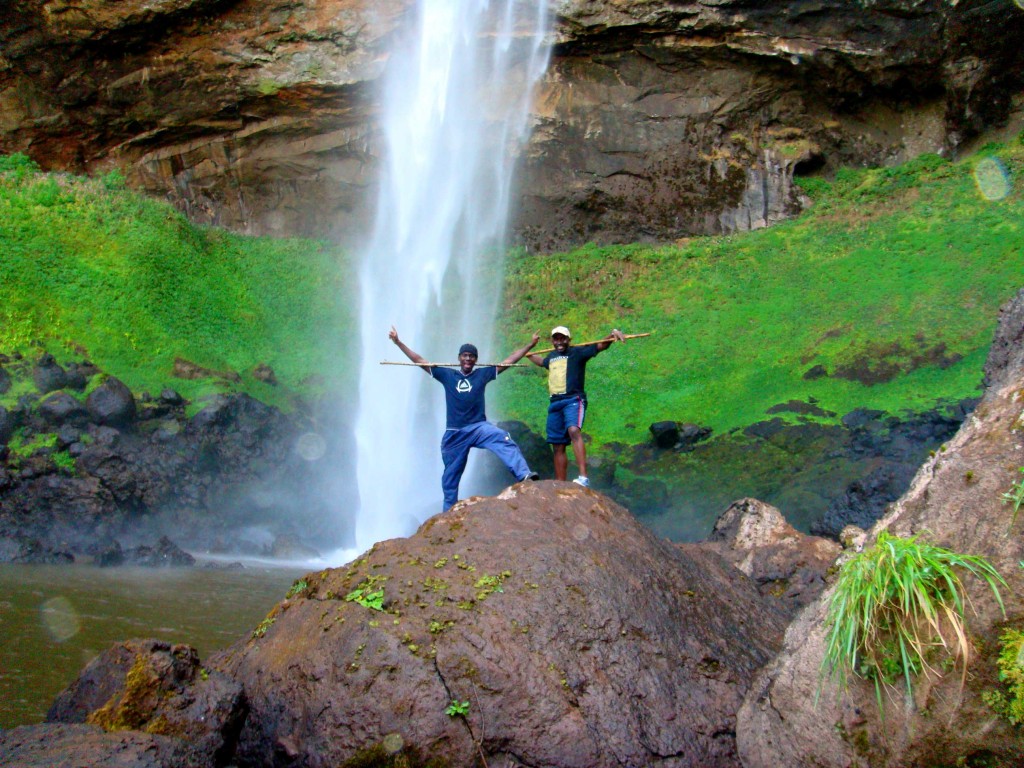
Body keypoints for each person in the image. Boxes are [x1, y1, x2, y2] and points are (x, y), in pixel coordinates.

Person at [389, 326, 541, 510]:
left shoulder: (482, 374)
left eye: (472, 356)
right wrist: (398, 343)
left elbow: (508, 361)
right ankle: (448, 513)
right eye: (465, 355)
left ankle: (524, 475)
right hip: (455, 432)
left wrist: (529, 346)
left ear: (476, 360)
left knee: (502, 437)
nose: (468, 358)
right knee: (450, 479)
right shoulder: (446, 375)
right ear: (459, 358)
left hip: (478, 428)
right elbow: (419, 361)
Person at [527, 325, 626, 487]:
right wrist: (527, 352)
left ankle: (583, 477)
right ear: (552, 341)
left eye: (562, 338)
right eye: (556, 338)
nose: (559, 341)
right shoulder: (551, 357)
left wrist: (612, 334)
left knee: (573, 430)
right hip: (555, 404)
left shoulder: (578, 353)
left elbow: (600, 345)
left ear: (568, 339)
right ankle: (560, 483)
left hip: (573, 399)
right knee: (557, 444)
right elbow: (541, 362)